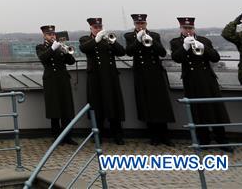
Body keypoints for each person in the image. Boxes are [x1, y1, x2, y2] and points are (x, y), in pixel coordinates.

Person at [171, 17, 231, 151]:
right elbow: (176, 58)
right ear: (181, 29)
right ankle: (204, 140)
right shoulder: (176, 42)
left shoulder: (204, 40)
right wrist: (185, 46)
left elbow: (215, 57)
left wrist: (203, 47)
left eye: (190, 28)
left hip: (208, 79)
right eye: (185, 28)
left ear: (194, 28)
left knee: (216, 110)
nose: (188, 30)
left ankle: (222, 140)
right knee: (197, 111)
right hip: (191, 80)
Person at [123, 14, 174, 146]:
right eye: (138, 24)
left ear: (146, 24)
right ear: (134, 24)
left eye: (143, 24)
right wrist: (137, 40)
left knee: (161, 104)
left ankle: (165, 135)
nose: (140, 26)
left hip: (155, 72)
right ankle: (154, 136)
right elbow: (128, 52)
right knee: (147, 104)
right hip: (141, 74)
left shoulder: (154, 35)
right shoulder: (129, 36)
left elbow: (162, 52)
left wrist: (151, 39)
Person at [78, 17, 126, 144]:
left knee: (113, 105)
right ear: (91, 28)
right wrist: (96, 39)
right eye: (96, 27)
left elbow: (121, 52)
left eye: (100, 27)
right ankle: (98, 134)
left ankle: (117, 134)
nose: (98, 29)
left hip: (110, 77)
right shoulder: (86, 39)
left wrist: (113, 42)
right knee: (97, 105)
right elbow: (84, 48)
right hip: (95, 78)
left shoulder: (108, 39)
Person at [36, 25, 76, 145]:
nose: (52, 36)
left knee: (66, 109)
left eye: (53, 34)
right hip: (51, 81)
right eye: (49, 34)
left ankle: (68, 137)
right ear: (44, 35)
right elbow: (43, 58)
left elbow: (71, 62)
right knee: (55, 110)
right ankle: (57, 137)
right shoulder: (40, 47)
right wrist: (53, 48)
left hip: (63, 80)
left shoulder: (60, 47)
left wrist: (66, 52)